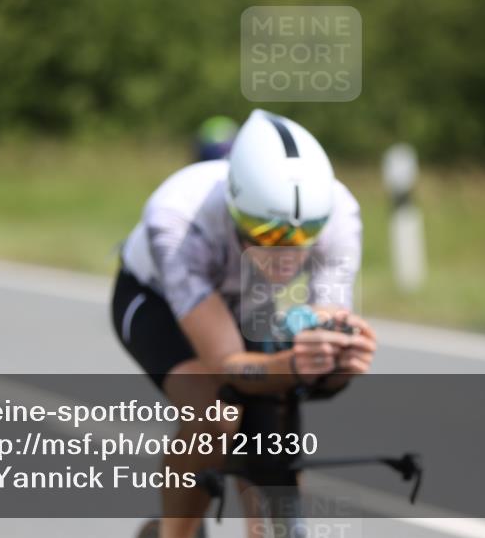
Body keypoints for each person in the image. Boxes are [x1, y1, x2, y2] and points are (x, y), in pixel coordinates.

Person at [112, 109, 377, 538]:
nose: (288, 255)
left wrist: (337, 361)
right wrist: (293, 365)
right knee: (216, 411)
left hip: (249, 299)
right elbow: (227, 366)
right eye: (269, 235)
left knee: (272, 419)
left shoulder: (339, 211)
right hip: (156, 300)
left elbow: (324, 323)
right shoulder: (177, 216)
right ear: (234, 209)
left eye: (304, 237)